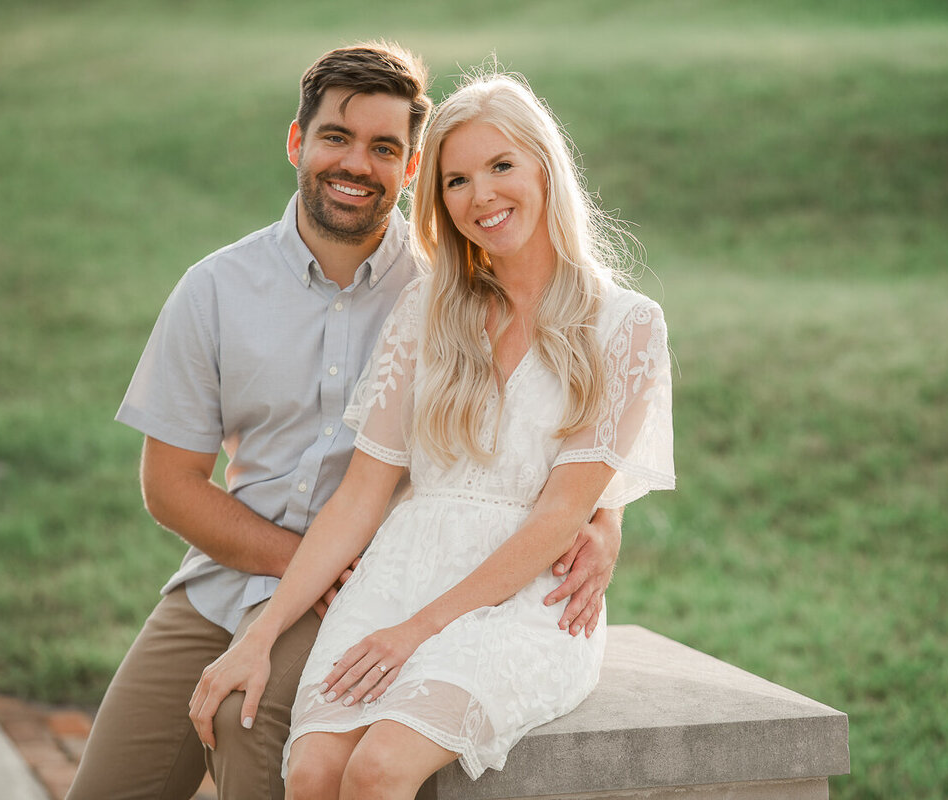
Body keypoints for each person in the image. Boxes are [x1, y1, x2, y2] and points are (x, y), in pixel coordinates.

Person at [68, 43, 622, 800]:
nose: (357, 164)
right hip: (228, 577)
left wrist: (604, 521)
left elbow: (554, 405)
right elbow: (169, 487)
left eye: (385, 148)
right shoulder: (216, 289)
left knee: (245, 717)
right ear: (298, 141)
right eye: (336, 137)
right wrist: (298, 561)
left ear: (412, 167)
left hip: (369, 583)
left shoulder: (447, 292)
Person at [188, 71, 674, 799]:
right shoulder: (427, 310)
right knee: (316, 770)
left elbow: (559, 517)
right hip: (401, 574)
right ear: (438, 200)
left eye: (501, 166)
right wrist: (257, 638)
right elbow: (359, 498)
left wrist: (418, 632)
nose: (482, 196)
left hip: (521, 601)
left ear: (545, 165)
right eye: (456, 180)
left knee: (378, 769)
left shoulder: (625, 324)